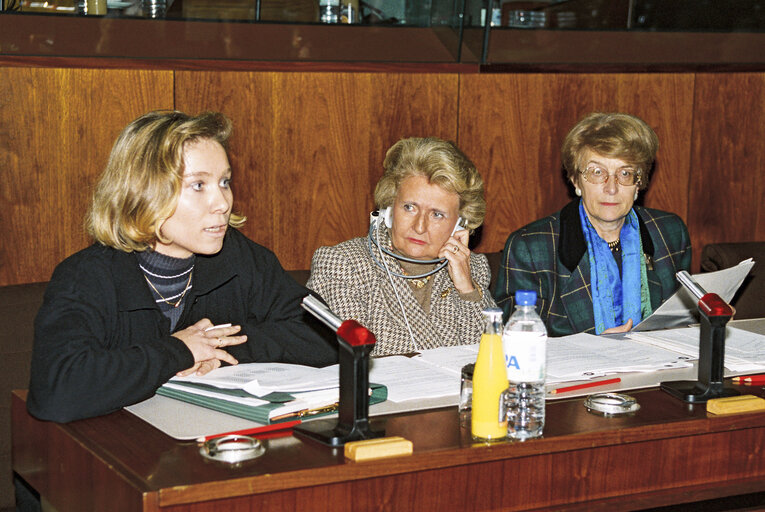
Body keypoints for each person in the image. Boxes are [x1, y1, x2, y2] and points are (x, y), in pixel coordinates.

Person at [28, 110, 337, 423]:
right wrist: (179, 350)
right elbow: (56, 391)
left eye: (224, 182)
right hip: (119, 455)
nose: (223, 203)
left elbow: (330, 337)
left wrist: (220, 348)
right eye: (199, 185)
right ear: (144, 192)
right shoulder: (87, 276)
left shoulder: (242, 257)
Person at [494, 112, 691, 336]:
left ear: (639, 183)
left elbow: (681, 322)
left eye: (625, 173)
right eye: (597, 172)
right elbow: (516, 342)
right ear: (576, 181)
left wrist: (709, 319)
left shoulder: (669, 233)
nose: (611, 188)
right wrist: (594, 348)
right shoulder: (530, 248)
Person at [307, 137, 495, 356]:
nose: (419, 226)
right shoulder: (343, 265)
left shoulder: (474, 269)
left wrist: (466, 290)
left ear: (459, 225)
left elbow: (491, 359)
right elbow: (360, 359)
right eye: (409, 207)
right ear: (389, 208)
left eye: (437, 214)